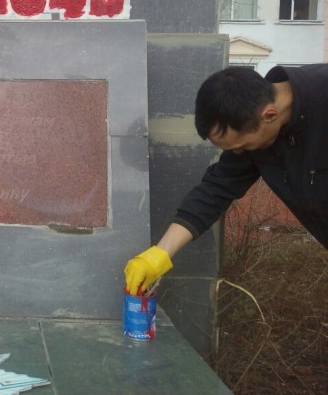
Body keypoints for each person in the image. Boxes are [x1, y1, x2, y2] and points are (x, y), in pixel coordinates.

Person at [125, 63, 328, 295]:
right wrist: (159, 255)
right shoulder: (255, 121)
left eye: (242, 145)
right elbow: (216, 189)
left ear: (270, 115)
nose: (239, 153)